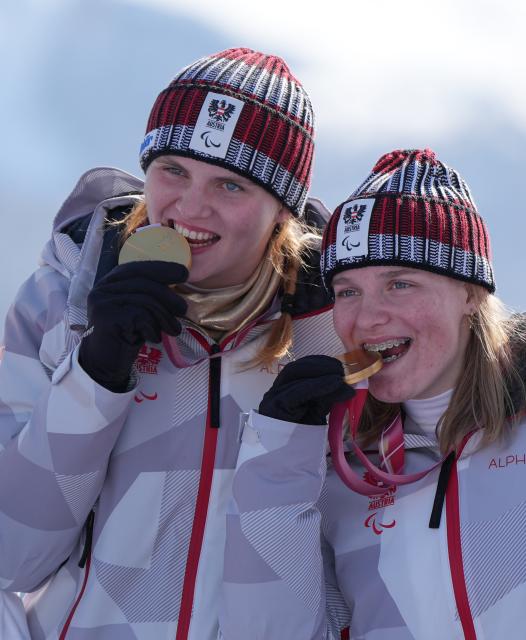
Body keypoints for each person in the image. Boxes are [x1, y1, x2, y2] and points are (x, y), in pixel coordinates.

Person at [0, 48, 345, 639]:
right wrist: (94, 374)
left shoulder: (330, 331)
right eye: (173, 170)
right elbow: (13, 554)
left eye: (230, 185)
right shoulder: (64, 301)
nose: (190, 206)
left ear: (282, 212)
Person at [220, 148, 526, 639]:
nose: (366, 319)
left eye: (399, 284)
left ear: (471, 293)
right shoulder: (338, 472)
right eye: (347, 291)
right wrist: (275, 466)